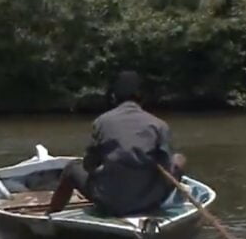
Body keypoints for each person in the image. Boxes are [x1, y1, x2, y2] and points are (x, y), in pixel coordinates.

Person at [48, 70, 187, 217]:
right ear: (142, 98)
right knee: (179, 159)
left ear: (114, 97)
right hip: (148, 202)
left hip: (109, 201)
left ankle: (51, 213)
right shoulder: (159, 125)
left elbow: (89, 165)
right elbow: (166, 171)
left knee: (71, 169)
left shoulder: (102, 122)